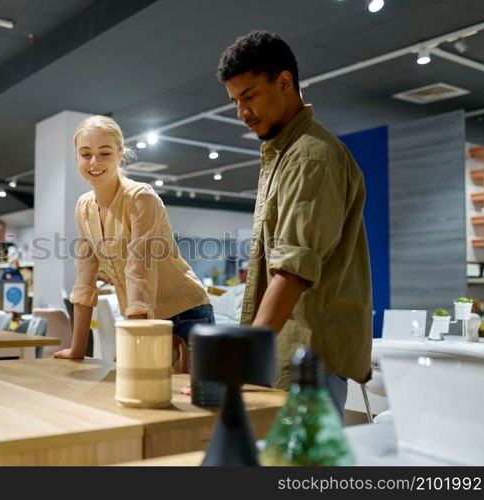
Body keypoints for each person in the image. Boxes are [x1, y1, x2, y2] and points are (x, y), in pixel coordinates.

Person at [217, 31, 372, 417]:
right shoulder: (284, 154)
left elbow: (292, 271)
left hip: (307, 360)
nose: (242, 112)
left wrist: (241, 364)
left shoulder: (310, 158)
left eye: (249, 96)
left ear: (284, 82)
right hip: (287, 352)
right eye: (235, 101)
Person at [54, 115, 213, 360]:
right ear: (76, 155)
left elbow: (140, 271)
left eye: (105, 153)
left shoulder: (140, 198)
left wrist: (134, 342)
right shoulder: (83, 207)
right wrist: (77, 351)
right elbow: (85, 280)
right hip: (142, 318)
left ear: (120, 153)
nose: (94, 162)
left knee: (195, 397)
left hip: (186, 315)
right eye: (85, 154)